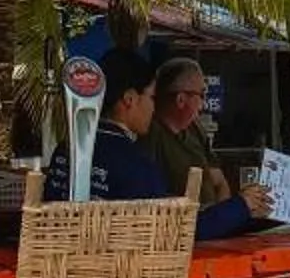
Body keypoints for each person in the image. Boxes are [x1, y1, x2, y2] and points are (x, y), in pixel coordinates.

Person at [46, 50, 268, 239]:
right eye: (151, 97)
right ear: (130, 99)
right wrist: (240, 206)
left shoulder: (64, 151)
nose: (153, 108)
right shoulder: (133, 163)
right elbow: (177, 228)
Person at [142, 55, 230, 206]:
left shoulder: (195, 128)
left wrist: (223, 219)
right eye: (201, 95)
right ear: (181, 99)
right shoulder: (150, 135)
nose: (203, 105)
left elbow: (220, 182)